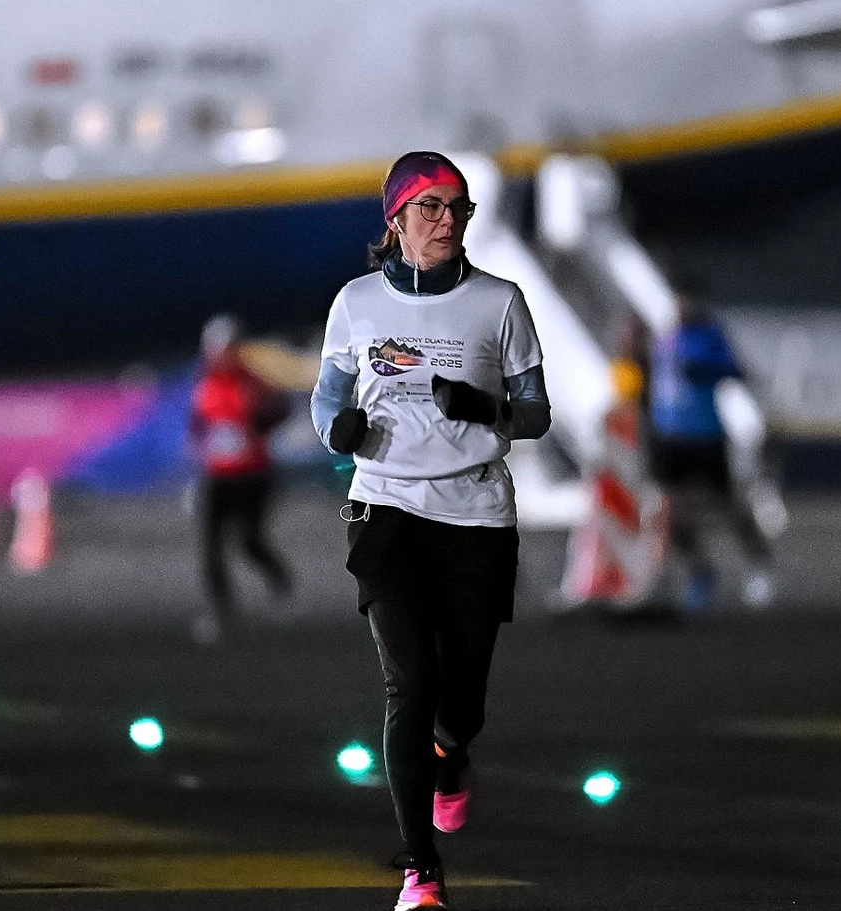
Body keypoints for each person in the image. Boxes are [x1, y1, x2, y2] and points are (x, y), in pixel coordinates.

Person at [311, 151, 549, 911]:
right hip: (385, 511)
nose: (448, 221)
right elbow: (325, 400)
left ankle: (452, 753)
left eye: (458, 208)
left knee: (462, 702)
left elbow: (536, 414)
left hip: (475, 512)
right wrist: (338, 431)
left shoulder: (500, 302)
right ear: (396, 219)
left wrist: (484, 408)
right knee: (409, 684)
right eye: (431, 207)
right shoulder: (355, 303)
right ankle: (421, 869)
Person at [646, 286, 773, 611]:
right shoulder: (663, 339)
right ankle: (699, 571)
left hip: (704, 436)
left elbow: (735, 369)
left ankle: (759, 560)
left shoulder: (709, 335)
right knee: (671, 513)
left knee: (727, 505)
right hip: (671, 438)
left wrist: (704, 368)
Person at [187, 314, 293, 644]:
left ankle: (281, 586)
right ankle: (222, 612)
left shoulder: (252, 383)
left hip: (251, 475)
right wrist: (200, 451)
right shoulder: (204, 384)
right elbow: (197, 426)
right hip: (217, 475)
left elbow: (282, 408)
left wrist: (258, 425)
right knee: (210, 547)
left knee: (249, 541)